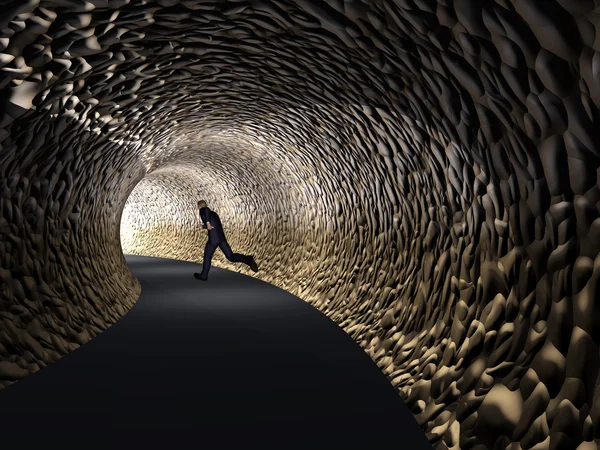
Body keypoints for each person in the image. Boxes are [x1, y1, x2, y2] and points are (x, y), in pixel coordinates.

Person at [194, 200, 259, 281]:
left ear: (199, 206)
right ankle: (248, 259)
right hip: (221, 238)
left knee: (207, 257)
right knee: (230, 256)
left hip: (213, 239)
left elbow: (206, 210)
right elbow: (214, 224)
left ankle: (203, 276)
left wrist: (207, 223)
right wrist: (204, 226)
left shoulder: (203, 210)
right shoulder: (214, 214)